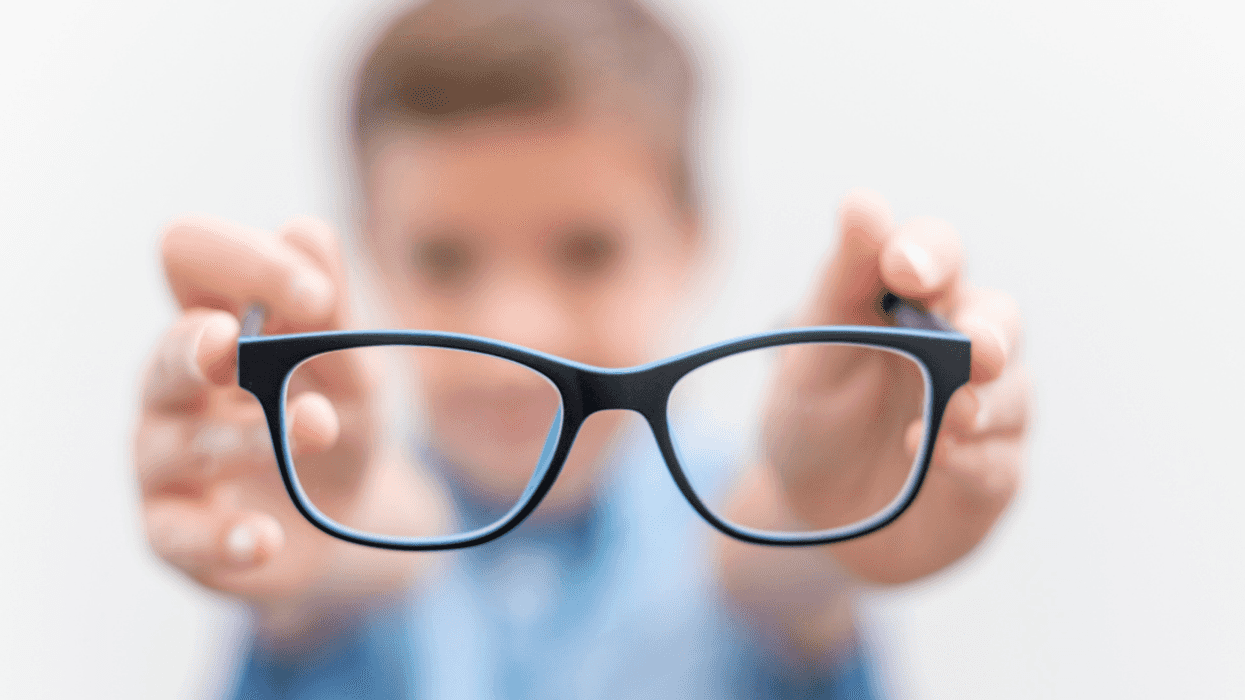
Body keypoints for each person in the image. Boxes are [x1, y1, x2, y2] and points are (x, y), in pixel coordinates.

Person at [134, 0, 1030, 697]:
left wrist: (825, 524)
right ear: (373, 250)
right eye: (444, 259)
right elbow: (366, 547)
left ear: (690, 242)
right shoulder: (320, 502)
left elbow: (767, 562)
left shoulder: (749, 529)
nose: (516, 336)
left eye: (588, 252)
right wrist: (330, 522)